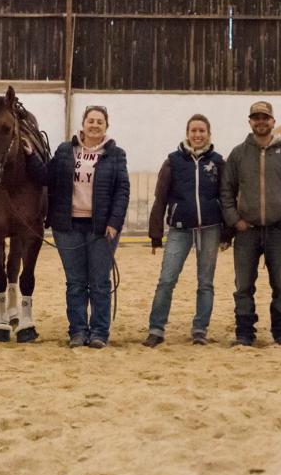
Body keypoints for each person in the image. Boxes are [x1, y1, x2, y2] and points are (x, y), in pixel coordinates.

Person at [30, 105, 129, 348]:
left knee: (99, 282)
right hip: (68, 227)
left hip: (101, 228)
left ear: (106, 126)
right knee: (75, 282)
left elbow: (122, 191)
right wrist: (30, 156)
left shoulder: (116, 154)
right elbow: (46, 177)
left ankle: (99, 332)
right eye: (91, 120)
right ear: (83, 124)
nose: (94, 125)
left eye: (100, 121)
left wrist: (114, 223)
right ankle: (77, 331)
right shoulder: (65, 150)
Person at [220, 100, 281, 347]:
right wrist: (235, 220)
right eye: (256, 117)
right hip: (247, 231)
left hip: (277, 231)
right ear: (250, 121)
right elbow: (227, 191)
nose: (260, 122)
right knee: (243, 285)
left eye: (265, 117)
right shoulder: (238, 154)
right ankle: (244, 331)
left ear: (272, 121)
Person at [143, 114, 226, 347]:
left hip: (210, 229)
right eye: (193, 131)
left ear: (209, 133)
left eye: (202, 131)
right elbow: (160, 198)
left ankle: (200, 328)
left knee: (205, 282)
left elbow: (226, 196)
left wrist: (228, 232)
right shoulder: (173, 161)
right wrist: (155, 233)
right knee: (167, 279)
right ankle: (156, 329)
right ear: (187, 133)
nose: (197, 135)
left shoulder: (218, 162)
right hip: (179, 230)